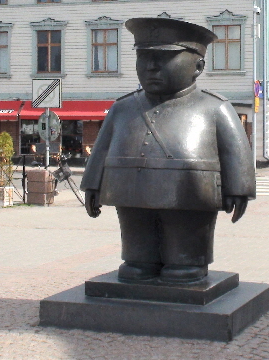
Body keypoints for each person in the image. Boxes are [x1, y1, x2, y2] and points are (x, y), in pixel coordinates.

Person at [80, 18, 256, 284]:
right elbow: (102, 147)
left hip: (190, 194)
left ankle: (187, 262)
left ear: (198, 66)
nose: (151, 67)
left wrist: (239, 187)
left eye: (163, 59)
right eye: (144, 57)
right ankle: (140, 260)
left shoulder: (214, 108)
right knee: (137, 242)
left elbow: (235, 151)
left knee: (184, 243)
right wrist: (92, 185)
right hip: (130, 191)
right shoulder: (122, 109)